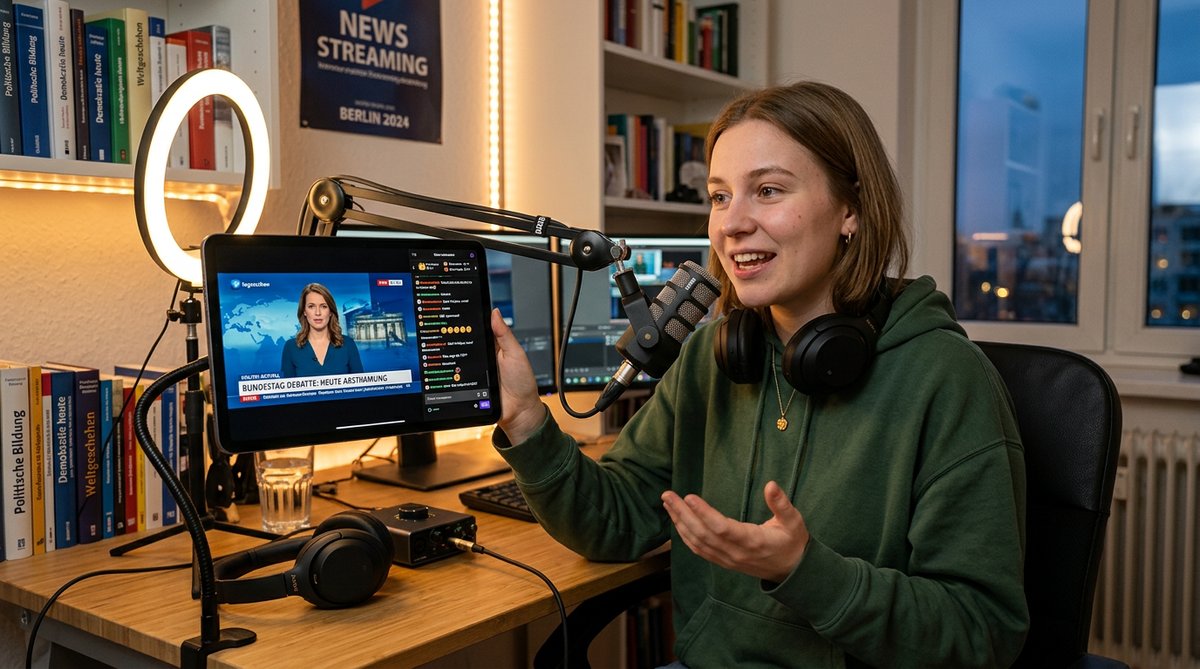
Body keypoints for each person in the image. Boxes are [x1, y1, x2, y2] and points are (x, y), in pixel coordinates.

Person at [489, 81, 1028, 667]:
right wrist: (526, 422)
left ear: (852, 209)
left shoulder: (944, 378)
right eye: (720, 197)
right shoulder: (712, 356)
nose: (731, 225)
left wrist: (804, 571)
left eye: (767, 190)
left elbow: (982, 633)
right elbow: (611, 522)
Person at [280, 283, 364, 377]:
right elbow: (288, 390)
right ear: (304, 311)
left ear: (331, 311)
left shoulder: (348, 344)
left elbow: (360, 389)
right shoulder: (290, 347)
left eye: (323, 306)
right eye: (311, 306)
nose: (317, 313)